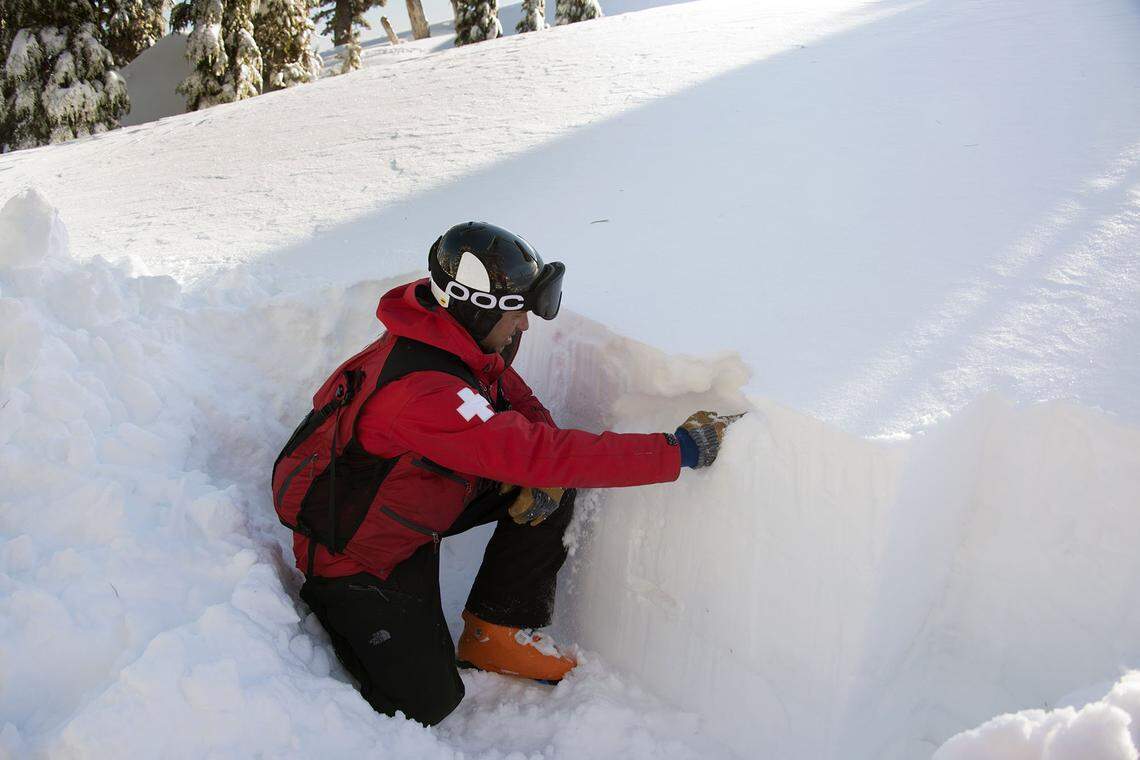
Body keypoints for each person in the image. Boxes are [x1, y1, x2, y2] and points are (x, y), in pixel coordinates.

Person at [282, 221, 736, 726]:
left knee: (546, 475)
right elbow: (541, 449)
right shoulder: (424, 396)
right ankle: (347, 612)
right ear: (476, 307)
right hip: (358, 554)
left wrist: (535, 459)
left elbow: (511, 395)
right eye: (518, 312)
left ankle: (496, 631)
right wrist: (676, 452)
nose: (524, 327)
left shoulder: (453, 338)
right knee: (425, 704)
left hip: (408, 503)